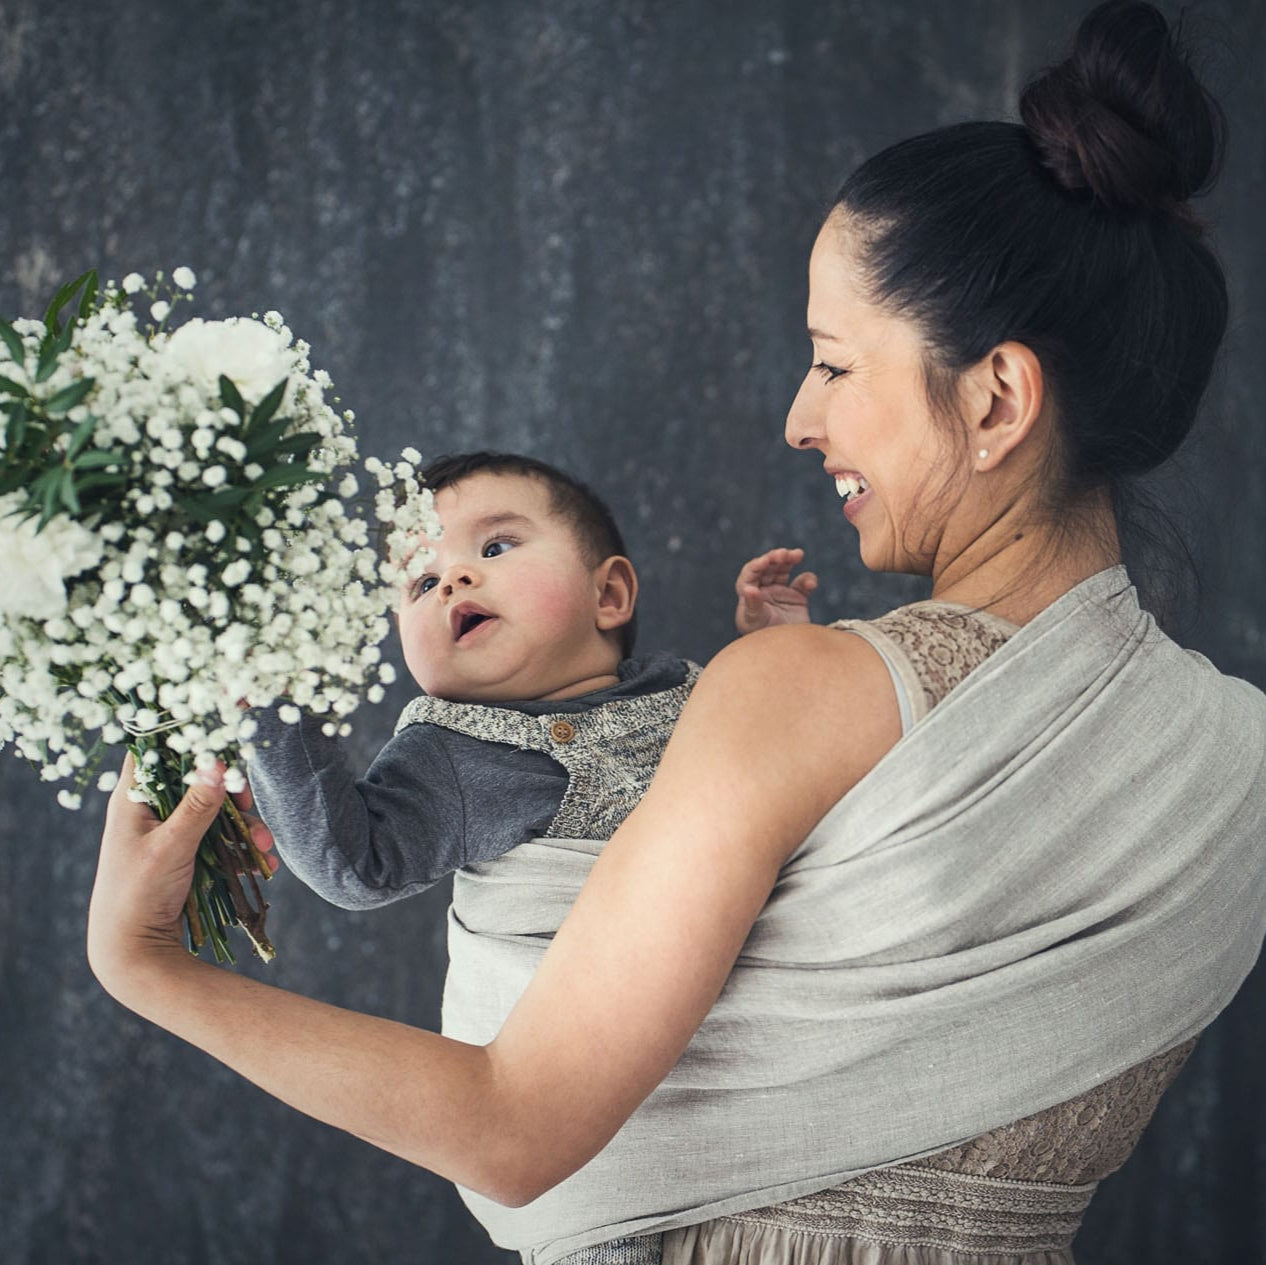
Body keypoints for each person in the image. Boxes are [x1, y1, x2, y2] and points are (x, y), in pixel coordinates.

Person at [86, 4, 1266, 1265]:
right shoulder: (1238, 762)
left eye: (833, 365)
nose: (801, 422)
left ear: (996, 397)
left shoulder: (797, 691)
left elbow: (514, 1128)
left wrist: (149, 965)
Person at [244, 450, 698, 914]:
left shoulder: (688, 687)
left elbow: (762, 752)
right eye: (422, 583)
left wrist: (769, 638)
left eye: (495, 548)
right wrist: (277, 707)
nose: (452, 581)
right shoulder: (450, 757)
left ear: (607, 594)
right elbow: (356, 867)